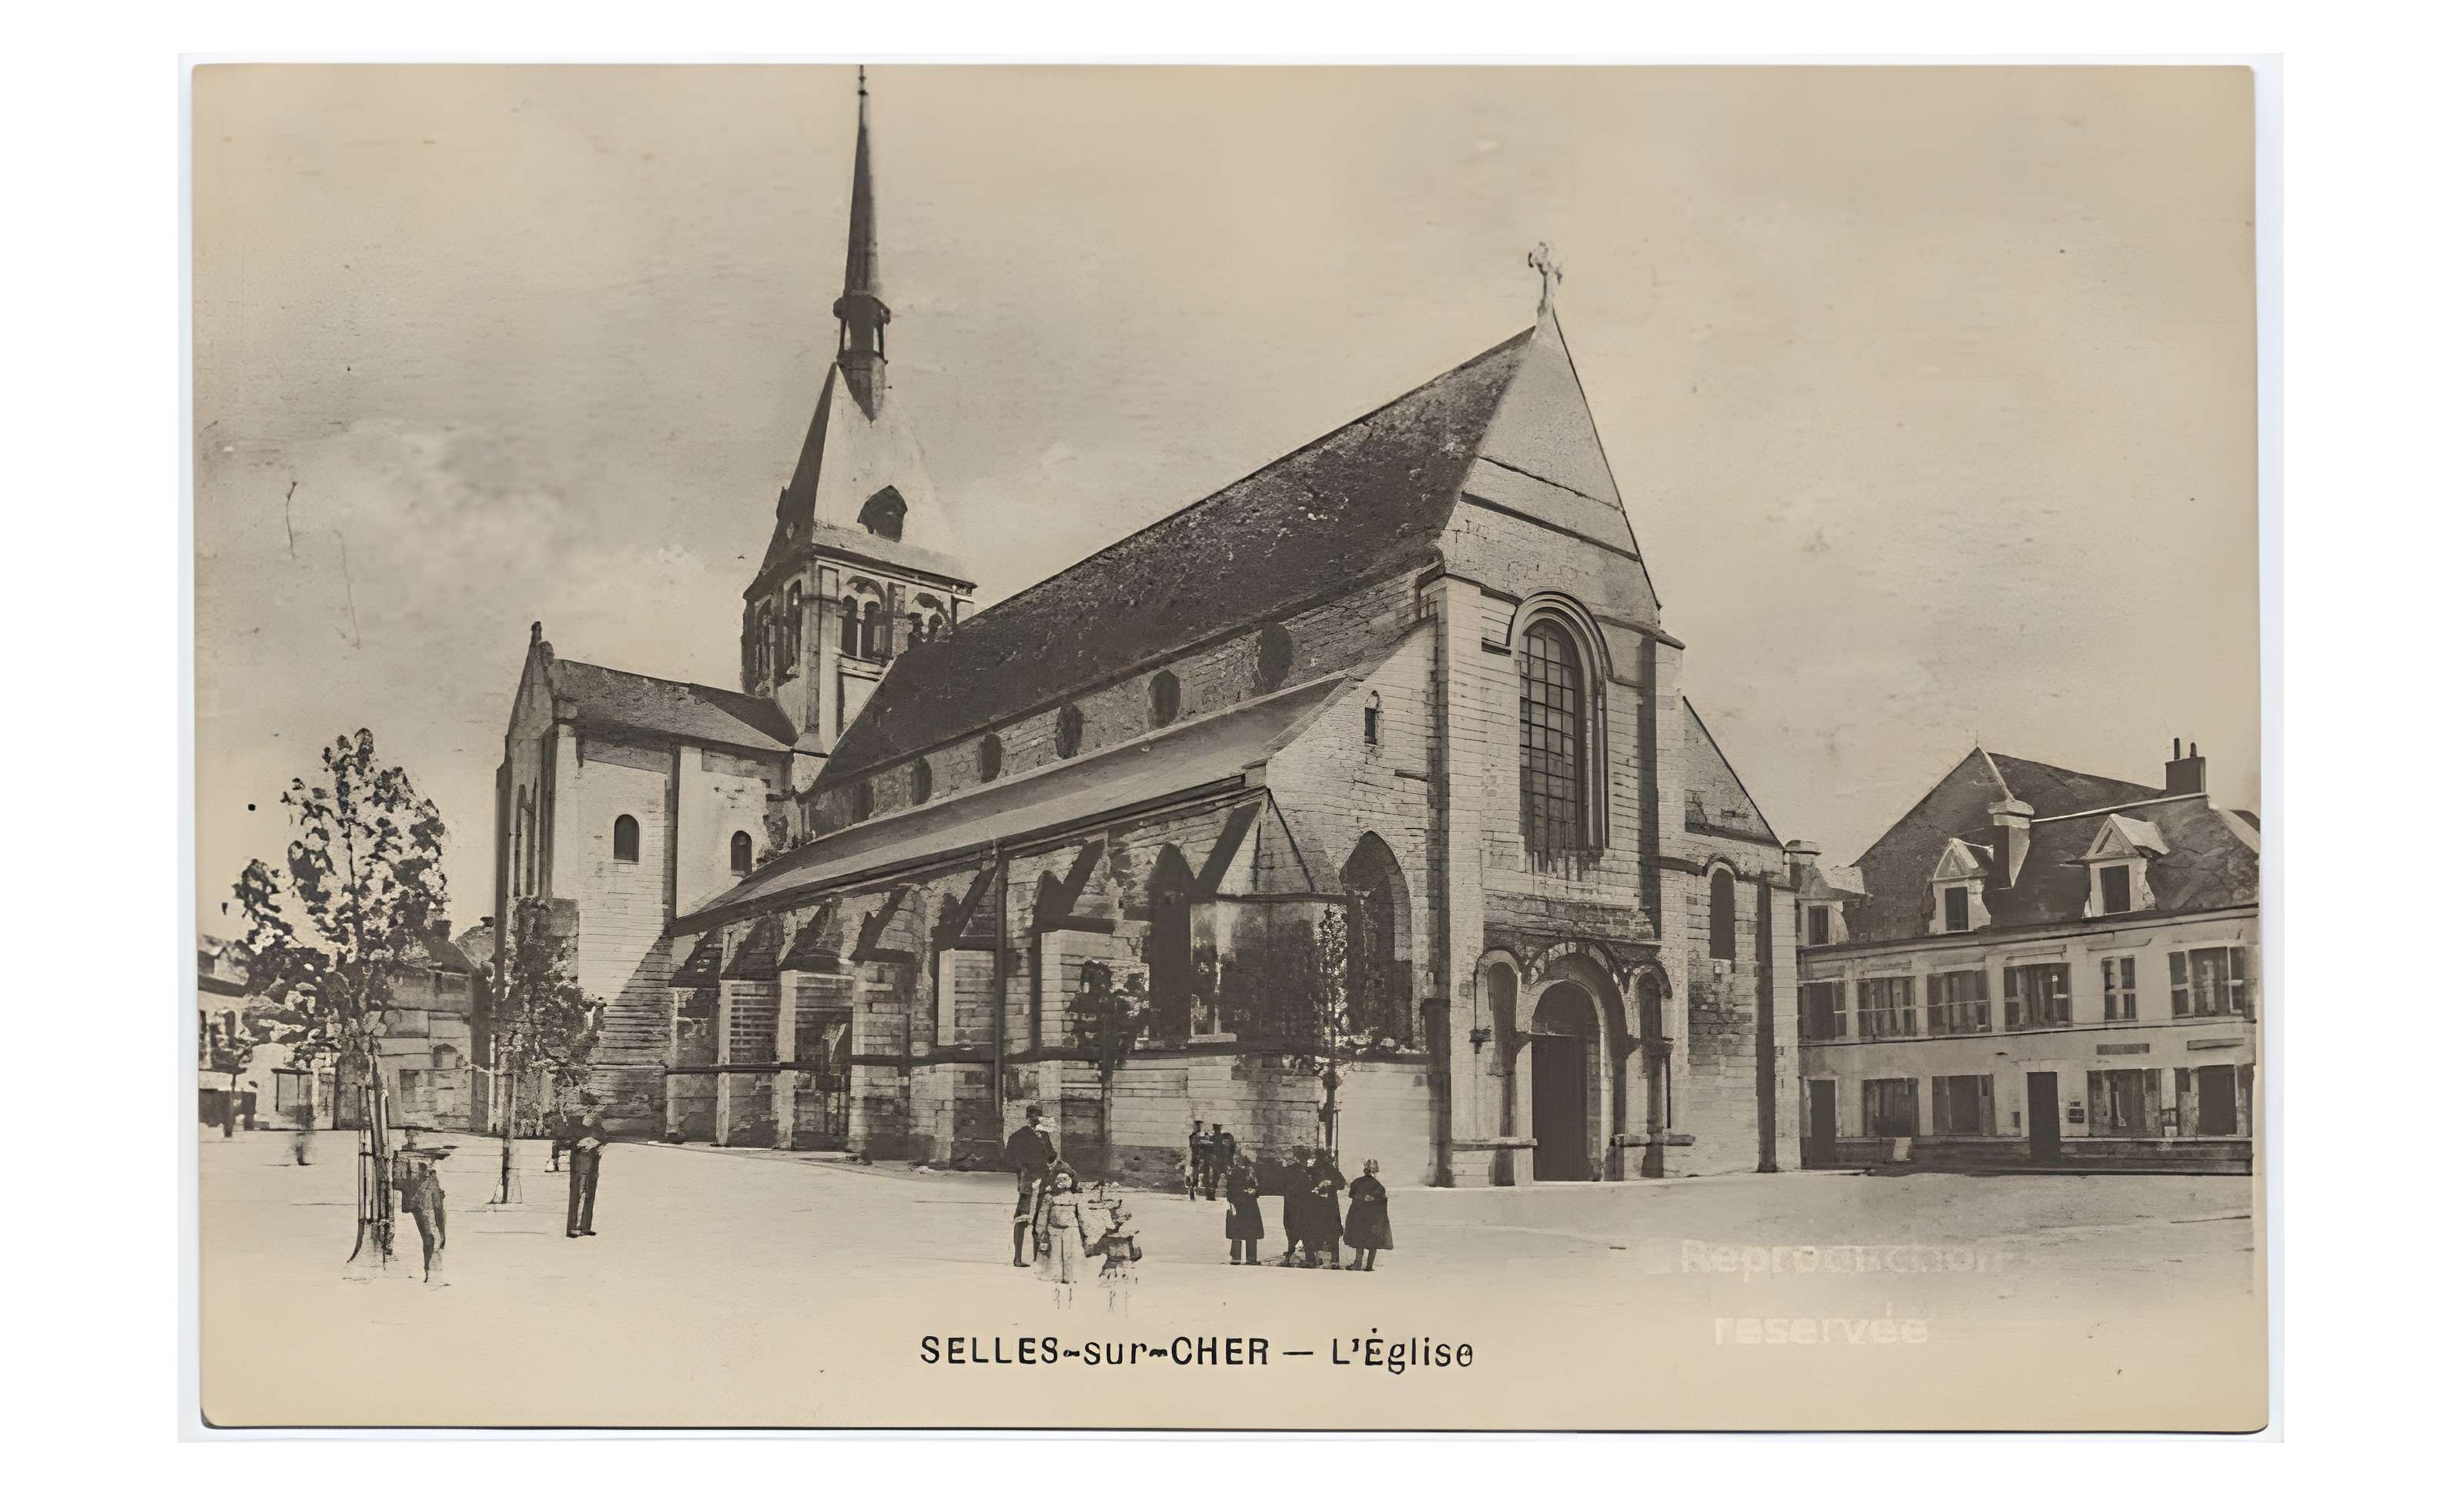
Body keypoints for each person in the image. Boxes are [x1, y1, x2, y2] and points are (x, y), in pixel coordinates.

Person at [1032, 1161, 1096, 1309]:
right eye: (1059, 1179)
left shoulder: (1076, 1198)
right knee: (1054, 1254)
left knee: (1069, 1253)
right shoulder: (1050, 1197)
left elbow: (1083, 1217)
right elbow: (1043, 1215)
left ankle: (1071, 1277)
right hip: (1054, 1229)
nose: (1062, 1182)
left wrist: (1088, 1233)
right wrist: (1040, 1231)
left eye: (1066, 1179)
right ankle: (1054, 1278)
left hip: (1071, 1229)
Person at [1005, 1104, 1058, 1268]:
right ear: (1028, 1117)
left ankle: (1036, 1258)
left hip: (1042, 1180)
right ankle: (1017, 1258)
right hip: (1027, 1181)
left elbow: (1051, 1156)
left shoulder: (1044, 1135)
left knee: (1039, 1219)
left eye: (1039, 1116)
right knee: (1022, 1218)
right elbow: (1008, 1159)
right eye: (1033, 1116)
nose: (1036, 1119)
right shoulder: (1019, 1136)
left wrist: (1046, 1141)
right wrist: (1022, 1170)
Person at [397, 1145, 450, 1285]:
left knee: (438, 1237)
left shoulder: (431, 1176)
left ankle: (433, 1271)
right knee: (432, 1238)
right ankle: (432, 1272)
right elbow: (399, 1182)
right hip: (423, 1204)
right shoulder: (408, 1161)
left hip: (432, 1202)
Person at [1088, 1184, 1142, 1314]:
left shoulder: (1110, 1231)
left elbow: (1094, 1250)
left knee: (1112, 1287)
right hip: (1122, 1261)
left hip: (1113, 1262)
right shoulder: (1125, 1231)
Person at [564, 1104, 606, 1239]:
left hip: (591, 1170)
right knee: (579, 1197)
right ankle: (575, 1227)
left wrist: (597, 1148)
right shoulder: (579, 1138)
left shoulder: (597, 1138)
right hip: (581, 1170)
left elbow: (599, 1150)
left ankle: (585, 1226)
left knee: (589, 1197)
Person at [1344, 1158, 1393, 1271]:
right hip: (1373, 1218)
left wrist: (1362, 1198)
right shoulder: (1379, 1186)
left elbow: (1351, 1195)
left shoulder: (1356, 1182)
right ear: (1375, 1171)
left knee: (1359, 1240)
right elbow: (1382, 1201)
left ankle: (1358, 1264)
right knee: (1373, 1242)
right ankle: (1369, 1266)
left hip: (1359, 1216)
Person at [1304, 1149, 1346, 1267]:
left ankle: (1334, 1261)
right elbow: (1305, 1185)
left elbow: (1342, 1184)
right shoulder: (1311, 1171)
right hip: (1317, 1206)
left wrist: (1330, 1182)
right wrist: (1316, 1188)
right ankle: (1320, 1260)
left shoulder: (1332, 1171)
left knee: (1332, 1233)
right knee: (1317, 1232)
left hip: (1329, 1207)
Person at [1224, 1152, 1264, 1265]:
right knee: (1237, 1230)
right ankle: (1236, 1257)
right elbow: (1231, 1189)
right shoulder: (1235, 1172)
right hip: (1240, 1204)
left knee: (1251, 1231)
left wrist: (1255, 1191)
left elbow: (1259, 1185)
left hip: (1250, 1204)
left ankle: (1251, 1258)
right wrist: (1244, 1193)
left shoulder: (1252, 1172)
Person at [1277, 1145, 1312, 1265]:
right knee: (1300, 1232)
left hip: (1295, 1206)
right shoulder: (1300, 1171)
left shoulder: (1299, 1170)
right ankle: (1306, 1258)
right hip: (1297, 1205)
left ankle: (1293, 1257)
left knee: (1294, 1232)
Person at [1208, 1124, 1237, 1201]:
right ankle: (1213, 1194)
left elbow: (1231, 1150)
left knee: (1217, 1178)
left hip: (1221, 1162)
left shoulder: (1217, 1138)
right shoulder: (1222, 1137)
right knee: (1222, 1178)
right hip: (1222, 1162)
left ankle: (1212, 1195)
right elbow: (1232, 1150)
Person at [1185, 1120, 1207, 1201]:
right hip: (1193, 1160)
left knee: (1199, 1177)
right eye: (1197, 1126)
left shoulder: (1205, 1135)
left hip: (1201, 1160)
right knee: (1191, 1177)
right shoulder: (1192, 1136)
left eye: (1200, 1126)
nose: (1199, 1127)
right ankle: (1192, 1195)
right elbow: (1193, 1145)